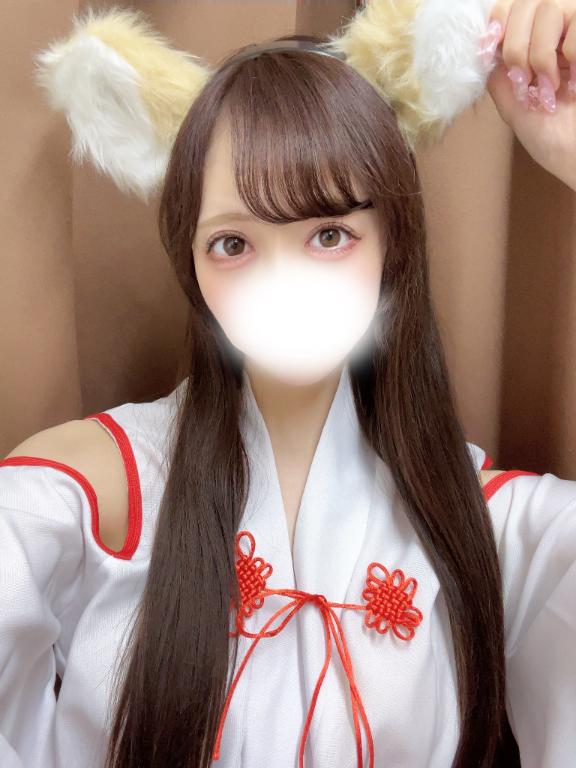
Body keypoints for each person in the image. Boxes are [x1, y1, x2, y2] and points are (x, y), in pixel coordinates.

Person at [1, 2, 575, 767]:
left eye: (329, 235)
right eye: (233, 244)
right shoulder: (95, 491)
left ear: (393, 245)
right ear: (191, 263)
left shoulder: (485, 523)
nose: (285, 284)